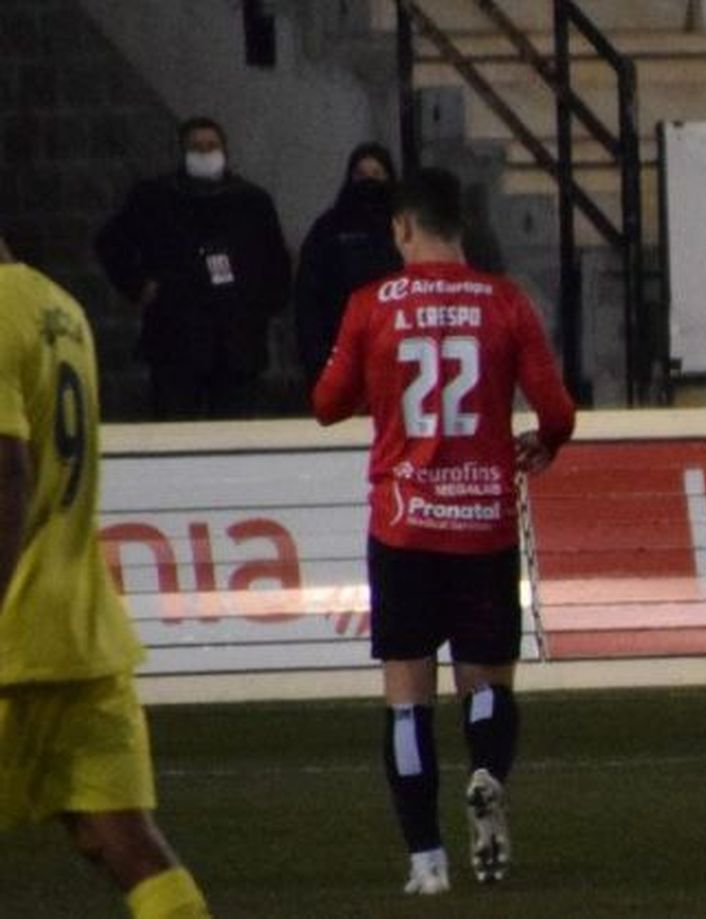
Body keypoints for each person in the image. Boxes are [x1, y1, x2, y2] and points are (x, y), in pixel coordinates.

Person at [312, 168, 576, 895]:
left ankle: (426, 862)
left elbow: (326, 403)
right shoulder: (505, 301)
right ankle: (486, 770)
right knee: (486, 681)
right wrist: (546, 441)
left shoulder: (371, 304)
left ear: (402, 227)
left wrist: (380, 387)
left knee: (407, 697)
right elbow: (557, 409)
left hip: (403, 528)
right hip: (483, 524)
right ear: (461, 225)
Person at [0, 241, 213, 918]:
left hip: (14, 639)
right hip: (83, 633)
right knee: (122, 841)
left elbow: (7, 474)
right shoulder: (59, 307)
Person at [95, 115, 291, 420]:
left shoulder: (252, 201)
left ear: (224, 150)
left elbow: (276, 261)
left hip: (237, 342)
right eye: (196, 147)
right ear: (183, 151)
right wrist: (138, 285)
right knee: (175, 424)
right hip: (175, 338)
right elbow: (111, 242)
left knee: (234, 429)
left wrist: (259, 306)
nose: (205, 153)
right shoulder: (155, 197)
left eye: (211, 146)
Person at [294, 142, 404, 384]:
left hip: (396, 344)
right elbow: (309, 293)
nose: (369, 182)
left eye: (376, 174)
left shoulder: (404, 225)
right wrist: (316, 355)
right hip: (341, 346)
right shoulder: (329, 227)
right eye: (361, 174)